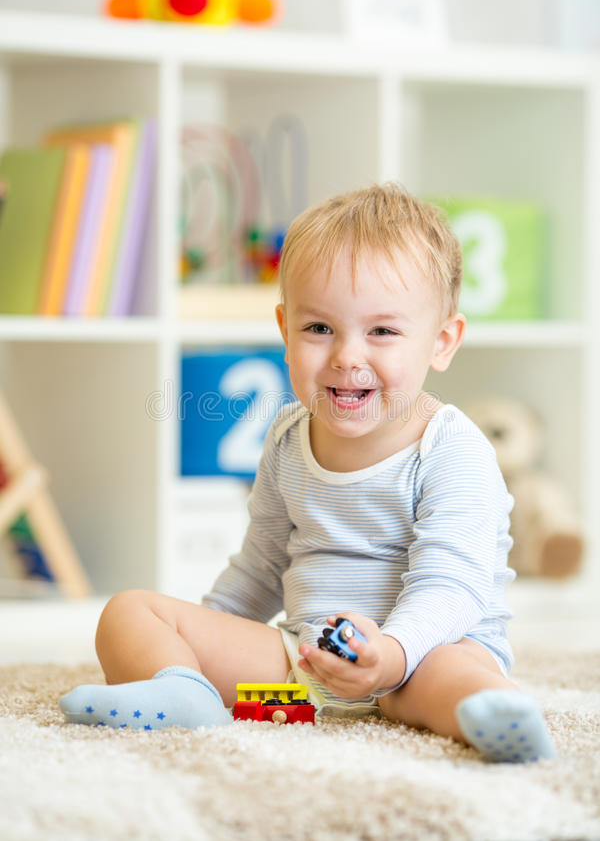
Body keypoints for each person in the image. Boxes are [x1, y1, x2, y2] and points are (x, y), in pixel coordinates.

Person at [60, 183, 556, 762]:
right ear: (285, 330)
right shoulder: (288, 437)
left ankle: (494, 712)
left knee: (455, 674)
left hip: (420, 658)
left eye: (382, 331)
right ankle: (185, 692)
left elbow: (453, 586)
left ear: (441, 342)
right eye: (320, 328)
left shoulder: (453, 448)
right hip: (305, 668)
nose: (347, 356)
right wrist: (200, 640)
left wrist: (389, 656)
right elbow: (262, 566)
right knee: (129, 613)